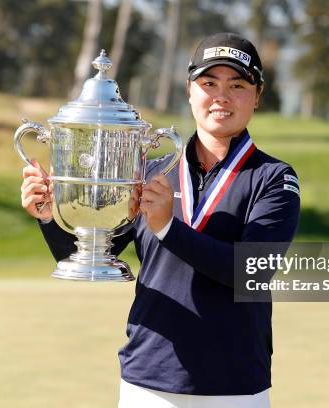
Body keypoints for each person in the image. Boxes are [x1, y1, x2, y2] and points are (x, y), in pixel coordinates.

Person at [21, 32, 300, 408]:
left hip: (234, 384)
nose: (221, 96)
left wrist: (169, 228)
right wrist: (49, 217)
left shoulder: (274, 178)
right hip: (148, 379)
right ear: (189, 90)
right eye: (208, 83)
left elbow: (251, 270)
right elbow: (90, 253)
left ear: (257, 95)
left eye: (237, 84)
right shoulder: (150, 172)